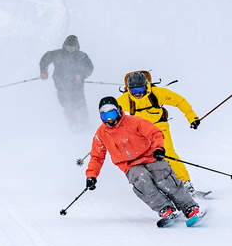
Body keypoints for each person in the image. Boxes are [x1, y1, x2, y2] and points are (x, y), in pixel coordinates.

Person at [85, 96, 207, 227]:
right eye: (105, 116)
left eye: (112, 113)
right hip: (130, 165)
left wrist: (159, 148)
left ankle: (189, 207)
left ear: (119, 111)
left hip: (150, 156)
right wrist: (91, 175)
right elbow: (97, 156)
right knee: (142, 181)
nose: (110, 119)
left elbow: (155, 133)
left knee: (164, 178)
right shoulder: (101, 134)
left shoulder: (134, 122)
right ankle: (165, 209)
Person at [115, 71, 205, 195]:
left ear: (146, 85)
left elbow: (179, 101)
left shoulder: (157, 93)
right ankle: (159, 188)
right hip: (140, 133)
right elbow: (111, 113)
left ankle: (185, 183)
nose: (137, 94)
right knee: (145, 159)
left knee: (167, 152)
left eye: (140, 89)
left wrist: (192, 118)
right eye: (133, 91)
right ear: (128, 90)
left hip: (159, 127)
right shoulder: (125, 99)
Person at [39, 35, 94, 130]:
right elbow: (45, 60)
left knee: (80, 103)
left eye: (73, 48)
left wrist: (81, 76)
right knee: (67, 103)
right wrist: (43, 71)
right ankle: (73, 125)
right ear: (64, 46)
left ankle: (85, 123)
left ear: (77, 47)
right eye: (68, 47)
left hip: (77, 85)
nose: (70, 50)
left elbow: (90, 67)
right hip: (61, 84)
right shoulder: (57, 54)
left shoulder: (82, 56)